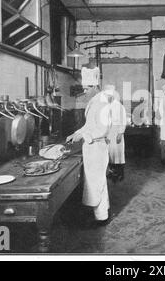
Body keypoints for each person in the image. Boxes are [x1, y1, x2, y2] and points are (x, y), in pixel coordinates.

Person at [66, 85, 114, 226]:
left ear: (96, 87)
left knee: (96, 182)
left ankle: (101, 218)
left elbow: (103, 130)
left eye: (87, 88)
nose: (84, 91)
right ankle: (101, 214)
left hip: (97, 147)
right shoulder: (94, 101)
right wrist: (76, 133)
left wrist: (83, 135)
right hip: (92, 148)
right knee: (96, 182)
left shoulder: (103, 103)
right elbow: (89, 125)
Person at [107, 95, 127, 182]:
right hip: (109, 132)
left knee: (118, 154)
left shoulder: (119, 106)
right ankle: (112, 172)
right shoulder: (107, 105)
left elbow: (123, 120)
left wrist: (120, 133)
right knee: (110, 153)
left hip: (117, 131)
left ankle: (121, 174)